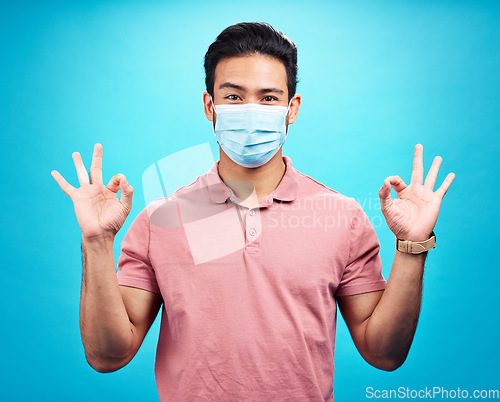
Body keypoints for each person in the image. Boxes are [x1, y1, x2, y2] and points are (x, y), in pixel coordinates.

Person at [51, 22, 455, 401]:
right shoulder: (160, 221)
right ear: (209, 106)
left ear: (291, 108)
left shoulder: (343, 217)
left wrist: (411, 245)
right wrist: (97, 241)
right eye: (233, 96)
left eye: (268, 98)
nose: (250, 110)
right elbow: (107, 356)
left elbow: (384, 354)